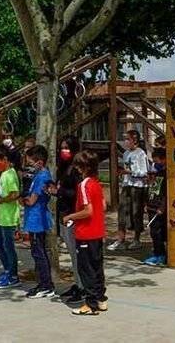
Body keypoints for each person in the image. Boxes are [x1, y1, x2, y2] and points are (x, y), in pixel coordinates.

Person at [63, 150, 109, 315]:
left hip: (86, 233)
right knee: (97, 267)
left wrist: (70, 216)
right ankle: (100, 299)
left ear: (82, 167)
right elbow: (102, 206)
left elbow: (88, 211)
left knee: (86, 269)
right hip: (97, 232)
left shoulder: (84, 185)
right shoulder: (97, 183)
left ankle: (90, 304)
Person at [22, 145, 55, 298]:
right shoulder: (39, 175)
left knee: (39, 252)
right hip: (34, 218)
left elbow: (32, 200)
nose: (29, 166)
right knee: (37, 252)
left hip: (37, 218)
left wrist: (21, 199)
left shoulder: (43, 176)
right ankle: (44, 283)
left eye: (31, 163)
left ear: (39, 163)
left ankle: (46, 285)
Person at [54, 135, 84, 302]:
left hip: (73, 215)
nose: (63, 151)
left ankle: (82, 287)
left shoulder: (76, 170)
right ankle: (77, 283)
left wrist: (60, 192)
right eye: (62, 147)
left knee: (77, 253)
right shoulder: (64, 167)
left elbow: (77, 194)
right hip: (64, 214)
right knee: (72, 254)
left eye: (67, 147)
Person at [109, 129, 150, 251]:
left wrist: (131, 172)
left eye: (128, 139)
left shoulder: (141, 154)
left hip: (137, 186)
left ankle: (136, 239)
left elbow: (144, 172)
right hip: (127, 185)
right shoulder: (126, 153)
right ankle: (121, 239)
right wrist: (123, 173)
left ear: (134, 140)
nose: (125, 142)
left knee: (136, 213)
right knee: (122, 212)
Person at [0, 147, 21, 289]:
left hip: (9, 218)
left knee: (8, 247)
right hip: (2, 217)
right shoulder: (3, 174)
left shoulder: (10, 175)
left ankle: (13, 275)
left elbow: (15, 194)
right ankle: (8, 270)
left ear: (5, 160)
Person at [143, 147, 168, 266]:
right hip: (152, 205)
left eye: (157, 161)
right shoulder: (157, 174)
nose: (155, 164)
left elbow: (166, 193)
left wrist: (162, 207)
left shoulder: (166, 174)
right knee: (153, 232)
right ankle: (157, 254)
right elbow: (154, 188)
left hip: (159, 208)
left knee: (158, 232)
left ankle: (161, 255)